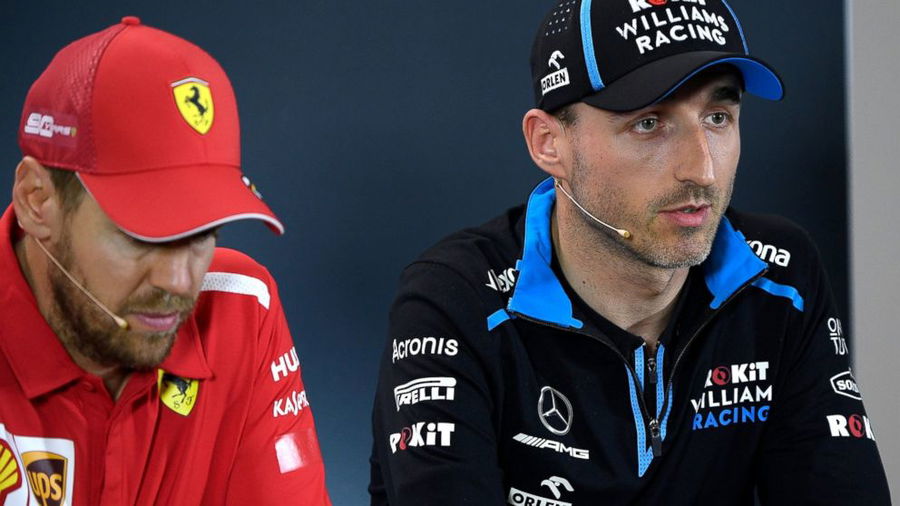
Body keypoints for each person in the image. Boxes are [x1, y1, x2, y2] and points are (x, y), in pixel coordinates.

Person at [369, 1, 891, 504]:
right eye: (649, 123)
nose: (701, 169)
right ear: (549, 143)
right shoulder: (457, 299)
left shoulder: (780, 276)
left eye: (718, 117)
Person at [0, 17, 331, 505]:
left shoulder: (240, 305)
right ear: (37, 201)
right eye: (142, 235)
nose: (179, 282)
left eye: (203, 234)